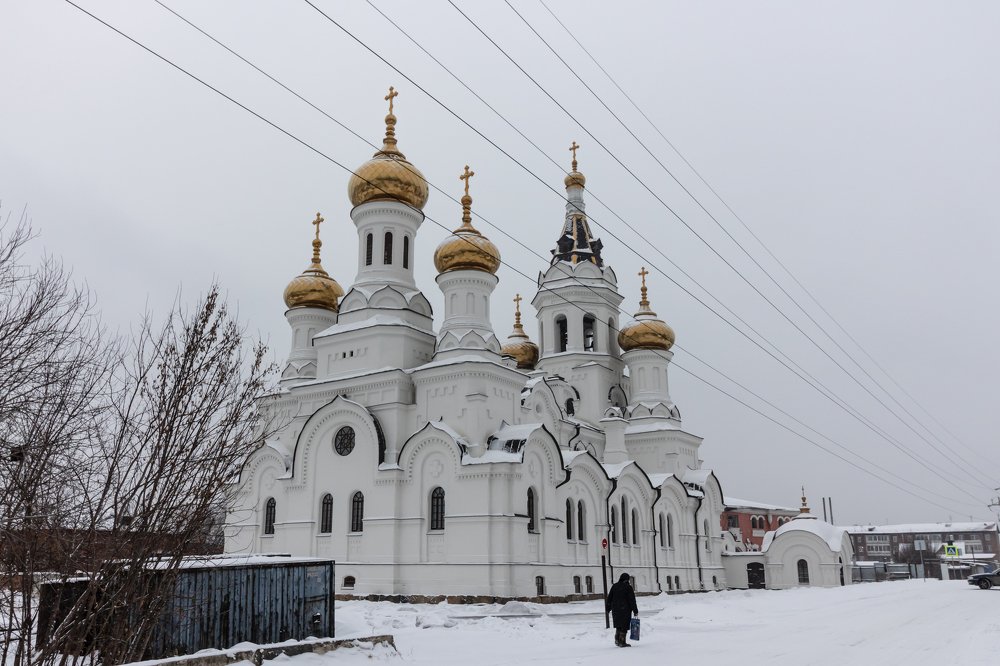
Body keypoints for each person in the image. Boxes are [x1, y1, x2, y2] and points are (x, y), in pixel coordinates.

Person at [605, 572, 638, 647]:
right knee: (624, 625)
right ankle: (622, 642)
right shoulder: (628, 587)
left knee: (618, 625)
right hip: (625, 609)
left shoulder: (615, 586)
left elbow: (610, 598)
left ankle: (617, 640)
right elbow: (632, 600)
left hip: (616, 609)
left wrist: (608, 608)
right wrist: (635, 610)